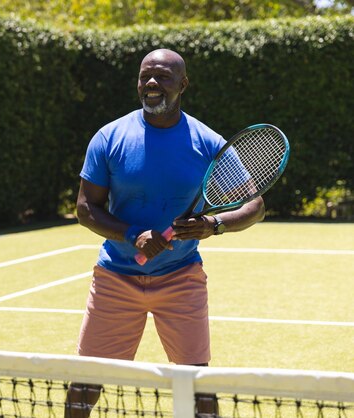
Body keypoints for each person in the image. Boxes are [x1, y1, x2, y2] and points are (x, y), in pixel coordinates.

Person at [64, 49, 265, 418]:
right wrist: (131, 235)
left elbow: (255, 206)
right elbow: (84, 208)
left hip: (181, 277)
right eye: (146, 76)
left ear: (183, 84)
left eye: (163, 77)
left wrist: (213, 225)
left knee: (197, 384)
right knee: (86, 380)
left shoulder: (206, 142)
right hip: (115, 277)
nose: (152, 83)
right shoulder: (109, 137)